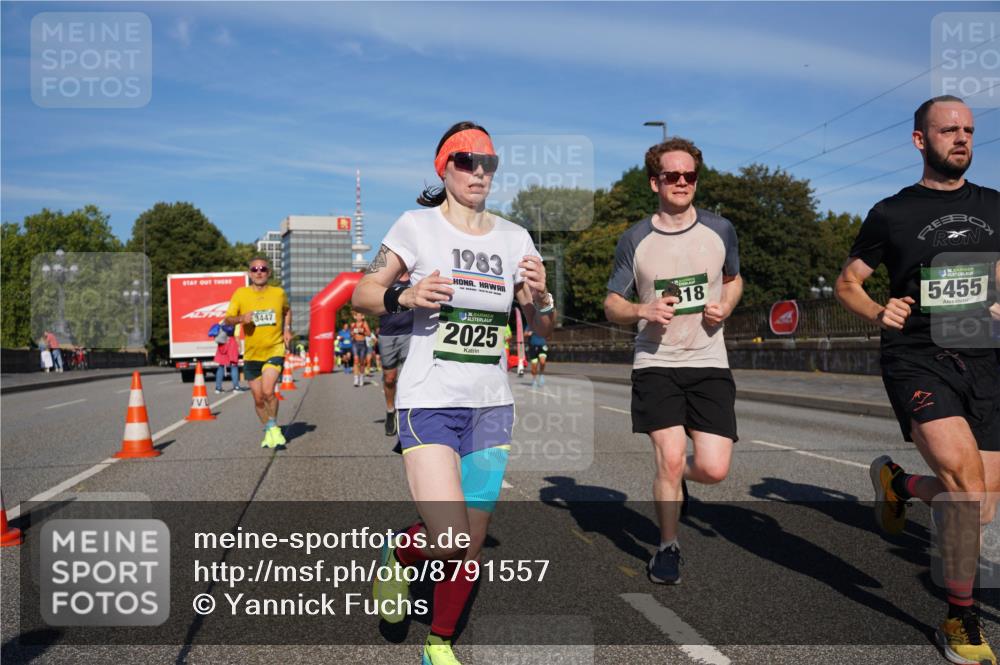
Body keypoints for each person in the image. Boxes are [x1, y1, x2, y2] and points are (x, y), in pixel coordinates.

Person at [352, 120, 555, 665]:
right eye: (466, 161)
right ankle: (399, 556)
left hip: (491, 407)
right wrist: (407, 293)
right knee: (448, 538)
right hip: (429, 401)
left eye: (487, 162)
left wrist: (541, 299)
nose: (478, 171)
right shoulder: (416, 227)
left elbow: (542, 328)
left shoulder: (514, 238)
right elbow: (362, 293)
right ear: (443, 168)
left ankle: (438, 643)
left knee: (467, 547)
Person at [835, 95, 1000, 665]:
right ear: (919, 140)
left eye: (970, 131)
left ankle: (900, 487)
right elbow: (847, 284)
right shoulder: (892, 212)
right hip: (918, 356)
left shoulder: (996, 206)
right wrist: (880, 310)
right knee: (965, 487)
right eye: (949, 130)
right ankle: (961, 619)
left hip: (986, 357)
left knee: (977, 503)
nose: (962, 139)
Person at [605, 137, 742, 586]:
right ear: (654, 182)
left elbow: (734, 280)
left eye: (689, 176)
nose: (681, 182)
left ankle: (675, 480)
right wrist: (642, 311)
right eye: (672, 176)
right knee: (667, 457)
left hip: (708, 359)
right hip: (656, 361)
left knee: (715, 468)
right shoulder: (635, 239)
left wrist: (727, 304)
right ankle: (667, 546)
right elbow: (611, 304)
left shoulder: (720, 230)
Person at [223, 257, 292, 448]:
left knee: (269, 391)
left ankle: (274, 427)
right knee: (258, 399)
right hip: (252, 354)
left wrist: (287, 329)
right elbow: (227, 319)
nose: (258, 272)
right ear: (249, 273)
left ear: (269, 272)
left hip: (274, 348)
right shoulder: (241, 294)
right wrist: (241, 318)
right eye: (254, 269)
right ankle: (270, 428)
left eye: (262, 269)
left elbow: (287, 310)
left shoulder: (278, 293)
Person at [378, 275, 414, 437]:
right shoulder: (386, 278)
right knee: (389, 378)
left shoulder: (416, 278)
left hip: (410, 333)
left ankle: (408, 414)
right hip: (387, 334)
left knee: (410, 376)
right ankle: (390, 410)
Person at [213, 325, 244, 393]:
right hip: (231, 342)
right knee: (234, 365)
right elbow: (236, 336)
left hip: (222, 343)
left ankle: (218, 388)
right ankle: (236, 387)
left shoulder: (222, 321)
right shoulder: (236, 323)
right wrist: (240, 347)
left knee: (221, 365)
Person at [349, 311, 371, 387]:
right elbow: (351, 333)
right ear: (355, 317)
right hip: (355, 343)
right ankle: (356, 379)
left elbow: (369, 334)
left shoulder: (365, 323)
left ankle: (361, 377)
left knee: (362, 362)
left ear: (362, 316)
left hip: (363, 344)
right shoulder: (353, 324)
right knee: (355, 360)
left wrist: (363, 331)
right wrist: (354, 331)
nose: (358, 317)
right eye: (357, 316)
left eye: (360, 316)